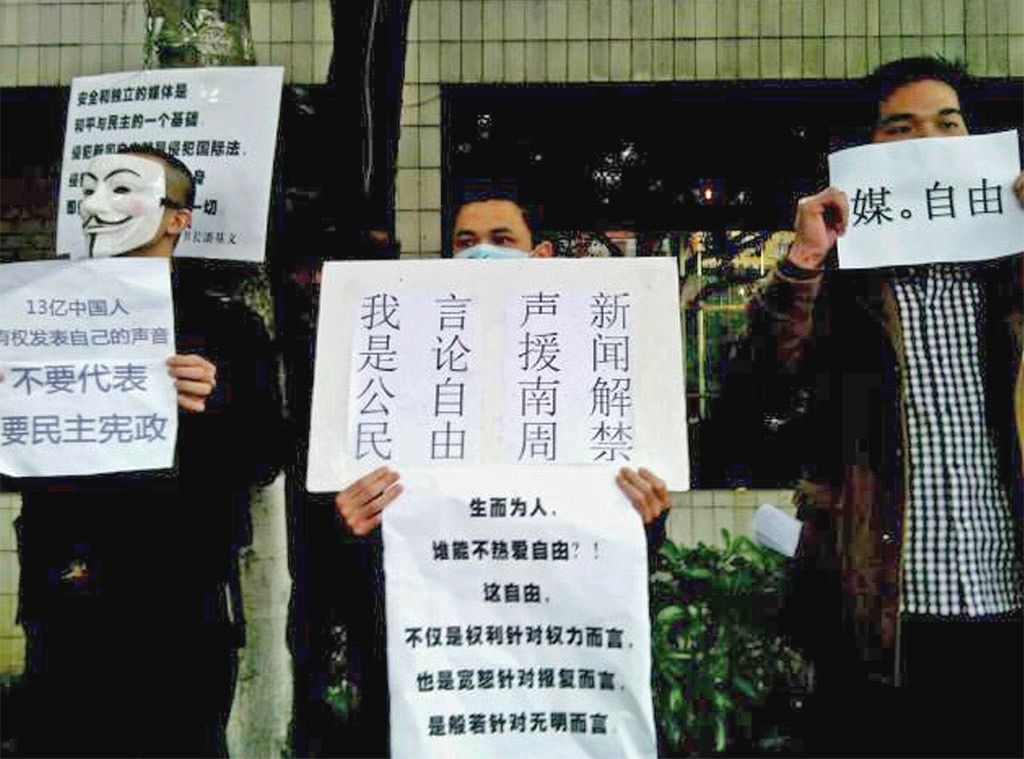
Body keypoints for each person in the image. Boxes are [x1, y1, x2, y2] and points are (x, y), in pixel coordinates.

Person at [743, 57, 1023, 757]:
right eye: (901, 128)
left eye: (948, 124)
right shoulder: (840, 285)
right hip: (883, 614)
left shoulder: (1011, 278)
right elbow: (758, 392)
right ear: (868, 154)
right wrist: (803, 262)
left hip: (1010, 604)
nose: (929, 140)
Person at [328, 191, 673, 757]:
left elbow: (622, 539)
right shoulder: (401, 373)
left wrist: (644, 515)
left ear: (540, 256)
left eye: (502, 240)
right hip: (435, 662)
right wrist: (352, 521)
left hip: (557, 656)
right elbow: (368, 534)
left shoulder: (591, 373)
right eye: (465, 243)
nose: (481, 254)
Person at [14, 146, 282, 757]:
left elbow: (266, 456)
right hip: (67, 594)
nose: (95, 205)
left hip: (181, 603)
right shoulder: (35, 317)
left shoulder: (229, 326)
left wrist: (215, 404)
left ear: (177, 218)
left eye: (121, 190)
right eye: (88, 189)